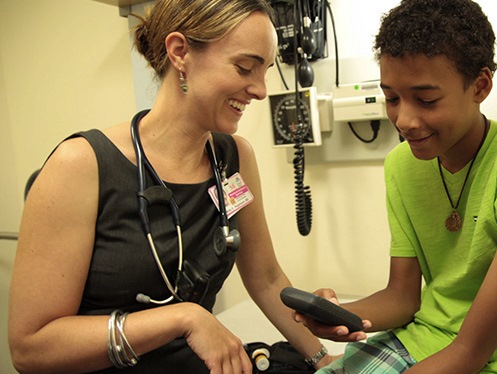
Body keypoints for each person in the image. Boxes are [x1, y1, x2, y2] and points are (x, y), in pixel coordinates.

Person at [8, 0, 333, 372]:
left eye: (265, 72)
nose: (260, 90)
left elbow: (266, 278)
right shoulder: (80, 165)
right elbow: (30, 348)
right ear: (180, 52)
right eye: (245, 68)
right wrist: (185, 318)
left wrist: (322, 359)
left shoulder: (233, 158)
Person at [293, 0, 497, 373]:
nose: (404, 120)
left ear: (480, 85)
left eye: (426, 100)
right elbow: (403, 297)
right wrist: (343, 315)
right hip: (421, 337)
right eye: (392, 98)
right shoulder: (402, 166)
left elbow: (470, 351)